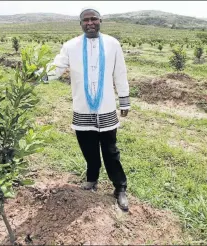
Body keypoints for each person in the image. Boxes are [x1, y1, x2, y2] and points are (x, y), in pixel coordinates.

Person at [53, 7, 131, 211]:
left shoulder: (113, 44)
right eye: (85, 20)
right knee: (88, 148)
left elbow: (120, 73)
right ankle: (92, 179)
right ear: (80, 24)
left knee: (111, 150)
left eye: (93, 19)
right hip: (82, 108)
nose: (90, 23)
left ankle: (120, 188)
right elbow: (57, 67)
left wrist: (124, 100)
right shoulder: (71, 46)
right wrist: (35, 75)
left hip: (106, 108)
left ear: (100, 21)